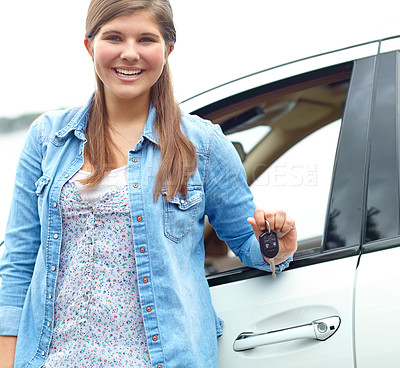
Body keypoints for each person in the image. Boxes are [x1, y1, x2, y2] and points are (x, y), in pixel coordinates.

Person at [0, 0, 297, 367]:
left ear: (167, 49)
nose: (129, 54)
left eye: (145, 39)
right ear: (89, 45)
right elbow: (18, 263)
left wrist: (277, 248)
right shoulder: (48, 137)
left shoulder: (202, 144)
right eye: (114, 37)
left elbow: (249, 244)